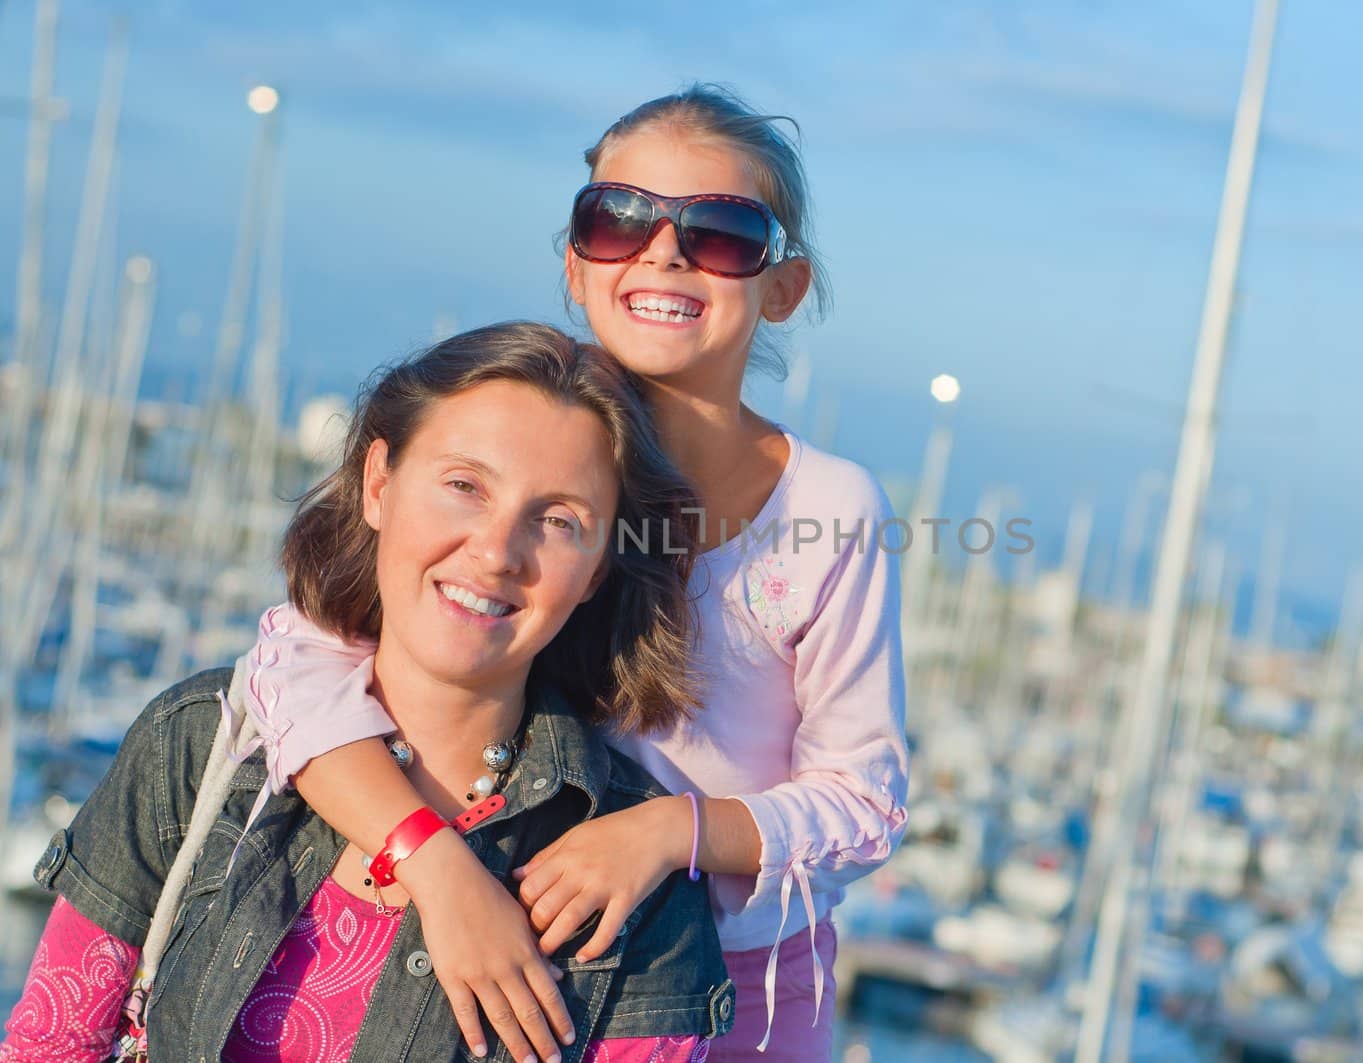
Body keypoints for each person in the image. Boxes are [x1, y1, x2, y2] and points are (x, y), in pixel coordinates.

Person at [231, 84, 908, 1060]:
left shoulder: (828, 508)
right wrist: (429, 861)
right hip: (520, 950)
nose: (664, 252)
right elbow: (294, 668)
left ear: (782, 286)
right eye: (619, 218)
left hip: (747, 987)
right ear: (576, 266)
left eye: (721, 232)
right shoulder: (519, 441)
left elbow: (864, 799)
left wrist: (663, 832)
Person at [0, 322, 732, 1063]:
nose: (496, 551)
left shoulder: (640, 889)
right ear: (379, 484)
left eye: (557, 520)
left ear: (597, 571)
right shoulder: (201, 744)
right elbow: (48, 1045)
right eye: (464, 486)